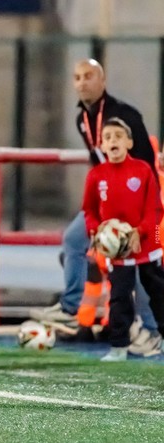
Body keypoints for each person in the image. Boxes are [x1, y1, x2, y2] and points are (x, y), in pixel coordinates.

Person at [33, 59, 162, 353]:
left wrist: (142, 220)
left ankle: (152, 330)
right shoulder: (83, 120)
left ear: (102, 81)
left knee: (146, 268)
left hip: (144, 208)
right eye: (77, 77)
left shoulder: (125, 115)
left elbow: (147, 168)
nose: (81, 83)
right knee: (74, 239)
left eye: (88, 77)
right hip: (111, 203)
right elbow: (100, 161)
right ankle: (69, 306)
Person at [83, 118, 164, 361]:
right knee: (119, 296)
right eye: (107, 137)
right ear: (102, 146)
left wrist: (140, 232)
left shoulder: (143, 171)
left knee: (158, 292)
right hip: (118, 252)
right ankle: (118, 347)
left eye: (118, 136)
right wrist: (96, 232)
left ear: (129, 142)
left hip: (149, 244)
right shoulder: (96, 176)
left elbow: (156, 210)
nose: (113, 141)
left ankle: (157, 336)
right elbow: (89, 211)